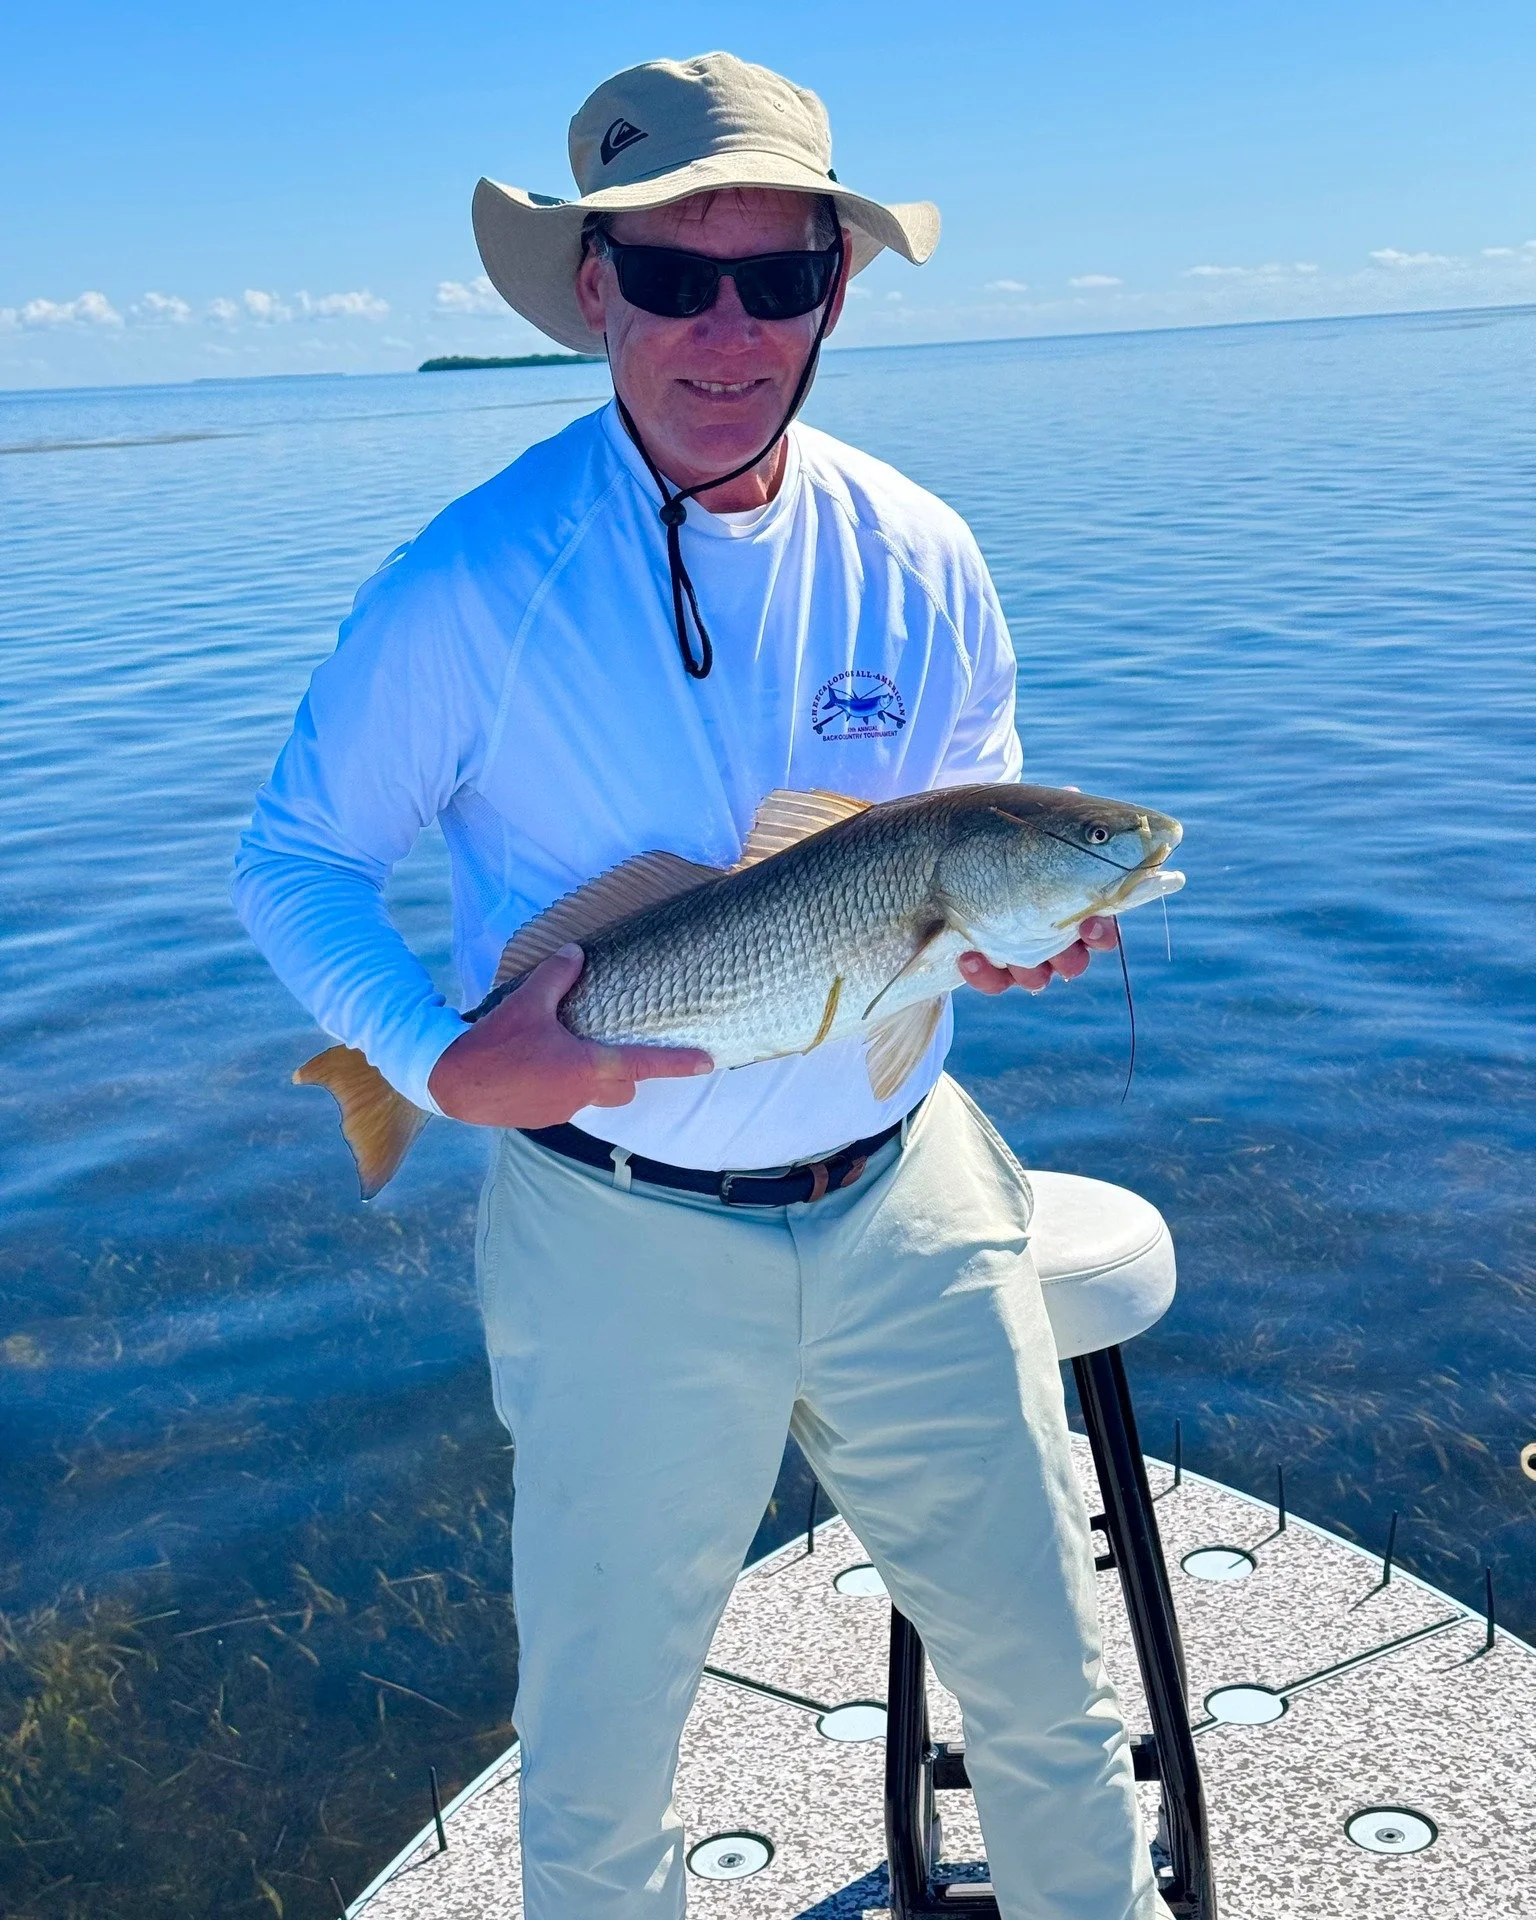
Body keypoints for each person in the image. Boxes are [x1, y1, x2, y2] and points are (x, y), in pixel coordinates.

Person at [234, 51, 1166, 1920]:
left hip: (911, 1193)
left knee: (1060, 1704)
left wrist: (1028, 936)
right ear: (596, 291)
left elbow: (958, 847)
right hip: (618, 1241)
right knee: (597, 1787)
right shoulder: (472, 580)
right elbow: (294, 859)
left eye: (778, 277)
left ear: (840, 286)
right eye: (673, 276)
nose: (725, 329)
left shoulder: (924, 555)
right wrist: (427, 1059)